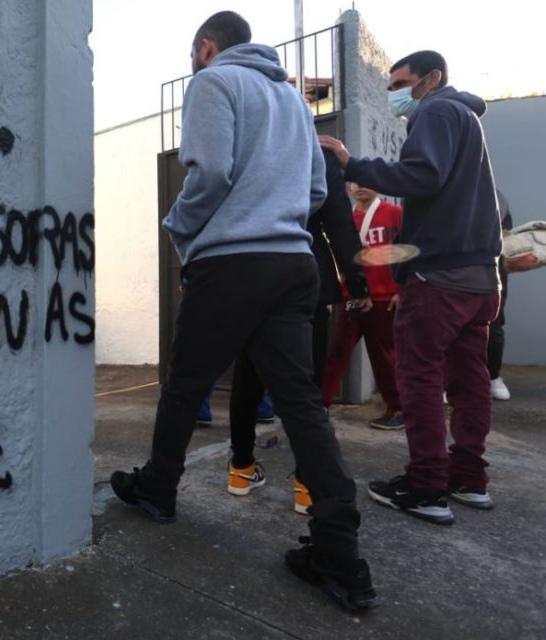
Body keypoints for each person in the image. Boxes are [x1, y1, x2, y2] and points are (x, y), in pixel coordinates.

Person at [110, 11, 378, 611]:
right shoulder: (289, 100)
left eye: (193, 53)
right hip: (293, 265)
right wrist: (276, 216)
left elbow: (209, 172)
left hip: (232, 262)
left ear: (206, 47)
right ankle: (339, 553)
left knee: (185, 384)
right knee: (301, 402)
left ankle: (158, 488)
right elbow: (317, 190)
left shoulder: (214, 82)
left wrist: (181, 230)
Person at [320, 50, 502, 525]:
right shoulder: (467, 120)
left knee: (418, 378)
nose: (393, 93)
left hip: (439, 276)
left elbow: (422, 176)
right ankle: (469, 479)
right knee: (469, 380)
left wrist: (350, 162)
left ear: (432, 78)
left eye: (400, 82)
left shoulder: (438, 110)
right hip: (479, 276)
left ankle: (426, 486)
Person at [227, 149, 370, 518]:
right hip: (307, 276)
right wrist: (358, 285)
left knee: (247, 379)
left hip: (250, 275)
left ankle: (241, 471)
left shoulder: (250, 149)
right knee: (307, 388)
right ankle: (306, 486)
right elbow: (340, 224)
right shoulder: (316, 155)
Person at [321, 184, 404, 430]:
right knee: (337, 351)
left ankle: (397, 408)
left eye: (366, 182)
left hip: (383, 297)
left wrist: (402, 290)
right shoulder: (347, 219)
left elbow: (410, 251)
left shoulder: (394, 214)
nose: (359, 187)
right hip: (353, 297)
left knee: (383, 354)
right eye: (354, 182)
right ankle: (320, 405)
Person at [488, 189, 513, 401]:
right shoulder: (449, 191)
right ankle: (445, 382)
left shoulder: (497, 198)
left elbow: (506, 238)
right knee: (450, 328)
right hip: (454, 273)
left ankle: (493, 377)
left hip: (492, 274)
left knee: (494, 327)